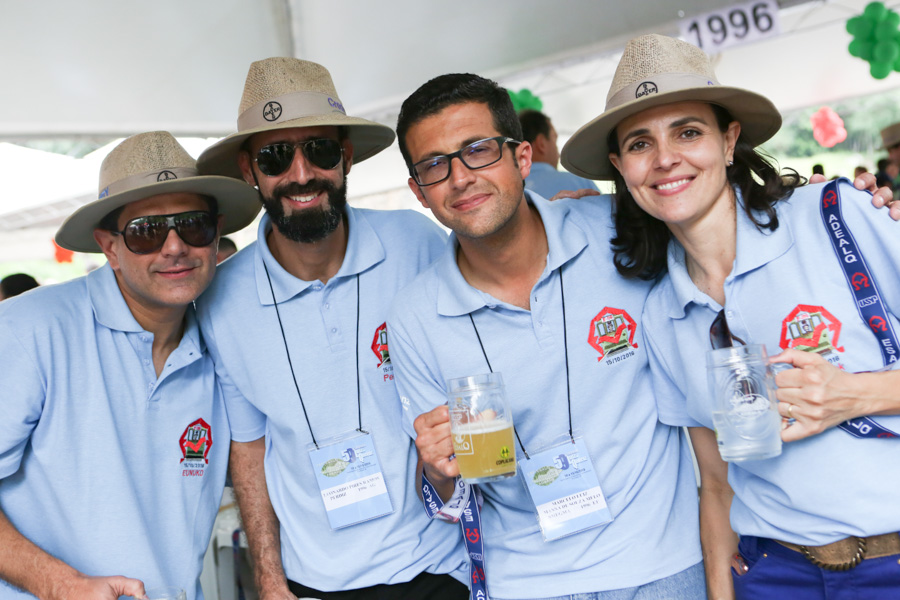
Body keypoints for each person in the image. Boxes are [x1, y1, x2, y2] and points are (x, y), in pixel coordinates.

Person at [561, 33, 900, 599]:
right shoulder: (660, 312)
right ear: (620, 168)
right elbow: (716, 487)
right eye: (640, 144)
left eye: (688, 132)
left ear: (729, 141)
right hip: (776, 574)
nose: (665, 158)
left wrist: (855, 394)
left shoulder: (838, 217)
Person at [389, 72, 706, 599]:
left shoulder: (618, 229)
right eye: (435, 165)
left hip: (660, 564)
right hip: (527, 582)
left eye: (478, 150)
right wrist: (438, 472)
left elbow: (721, 228)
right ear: (419, 191)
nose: (460, 178)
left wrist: (800, 204)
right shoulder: (414, 317)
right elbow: (448, 500)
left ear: (522, 159)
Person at [193, 58, 468, 599]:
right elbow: (249, 450)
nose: (301, 174)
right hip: (313, 581)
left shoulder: (416, 243)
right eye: (275, 156)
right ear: (249, 170)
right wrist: (269, 580)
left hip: (438, 563)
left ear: (346, 157)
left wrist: (557, 212)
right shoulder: (221, 300)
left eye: (319, 150)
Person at [0, 131, 260, 600]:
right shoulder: (29, 328)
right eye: (146, 232)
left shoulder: (225, 344)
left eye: (193, 226)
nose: (175, 247)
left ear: (216, 233)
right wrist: (62, 585)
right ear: (109, 247)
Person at [518, 109, 600, 200]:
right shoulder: (580, 183)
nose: (558, 154)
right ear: (541, 144)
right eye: (554, 140)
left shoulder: (510, 188)